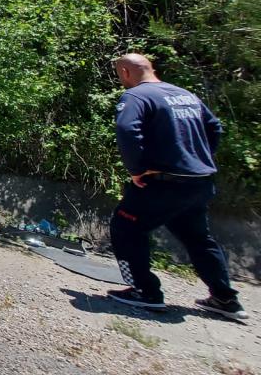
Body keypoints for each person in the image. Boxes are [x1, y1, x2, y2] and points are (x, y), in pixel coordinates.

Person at [106, 53, 247, 321]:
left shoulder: (137, 97)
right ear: (152, 67)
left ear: (125, 72)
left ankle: (145, 291)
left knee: (125, 227)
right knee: (197, 238)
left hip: (163, 183)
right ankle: (225, 297)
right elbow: (215, 127)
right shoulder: (185, 95)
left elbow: (127, 130)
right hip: (199, 182)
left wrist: (137, 169)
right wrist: (197, 158)